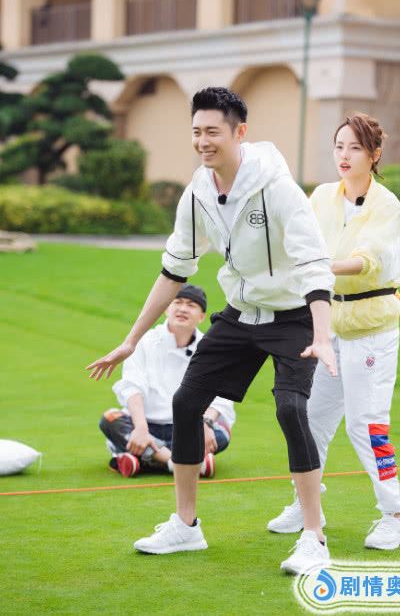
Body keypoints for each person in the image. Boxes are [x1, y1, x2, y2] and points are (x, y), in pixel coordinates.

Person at [87, 87, 336, 575]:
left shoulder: (278, 188)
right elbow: (174, 269)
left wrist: (322, 335)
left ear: (240, 132)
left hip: (293, 316)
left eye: (213, 132)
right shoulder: (198, 192)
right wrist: (131, 339)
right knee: (186, 402)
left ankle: (314, 536)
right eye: (196, 132)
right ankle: (186, 526)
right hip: (241, 313)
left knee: (291, 408)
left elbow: (314, 264)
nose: (203, 141)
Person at [268, 113, 400, 551]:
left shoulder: (386, 205)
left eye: (354, 147)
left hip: (371, 329)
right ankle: (306, 503)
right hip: (327, 327)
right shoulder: (322, 196)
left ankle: (396, 516)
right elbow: (299, 238)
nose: (344, 155)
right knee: (310, 419)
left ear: (374, 154)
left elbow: (370, 262)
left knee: (368, 426)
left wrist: (320, 266)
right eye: (339, 146)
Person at [99, 284, 235, 479]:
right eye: (177, 302)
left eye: (191, 305)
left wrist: (204, 424)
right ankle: (178, 462)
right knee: (110, 420)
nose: (183, 309)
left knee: (221, 433)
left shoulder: (210, 348)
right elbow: (132, 386)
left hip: (188, 428)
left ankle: (142, 459)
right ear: (165, 309)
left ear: (202, 316)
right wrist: (141, 428)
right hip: (146, 425)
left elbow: (222, 395)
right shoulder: (144, 341)